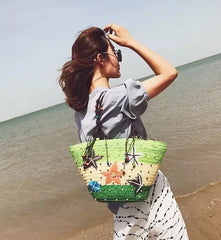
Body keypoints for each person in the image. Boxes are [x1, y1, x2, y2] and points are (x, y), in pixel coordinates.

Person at [59, 23, 188, 240]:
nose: (119, 59)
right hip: (152, 195)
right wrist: (130, 42)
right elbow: (169, 72)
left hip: (124, 210)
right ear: (100, 59)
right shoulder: (118, 98)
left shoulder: (80, 113)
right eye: (115, 53)